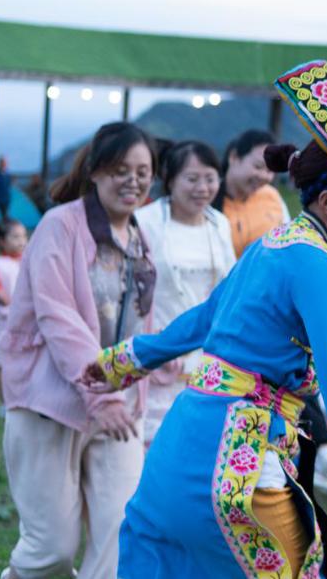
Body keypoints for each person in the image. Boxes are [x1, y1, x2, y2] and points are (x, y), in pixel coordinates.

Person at [80, 60, 327, 579]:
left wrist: (120, 363)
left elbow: (202, 319)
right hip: (237, 466)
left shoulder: (273, 245)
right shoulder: (322, 267)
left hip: (181, 449)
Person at [0, 122, 157, 579]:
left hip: (119, 411)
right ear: (94, 171)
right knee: (52, 549)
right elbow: (58, 318)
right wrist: (101, 396)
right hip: (51, 404)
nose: (133, 180)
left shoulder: (139, 238)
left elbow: (139, 320)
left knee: (120, 537)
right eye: (120, 169)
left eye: (143, 171)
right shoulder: (59, 226)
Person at [135, 141, 236, 447]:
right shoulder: (145, 221)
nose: (202, 188)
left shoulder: (219, 223)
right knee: (151, 449)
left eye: (210, 178)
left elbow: (229, 289)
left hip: (208, 357)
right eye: (192, 179)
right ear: (170, 180)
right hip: (159, 351)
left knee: (196, 447)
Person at [216, 129, 291, 257]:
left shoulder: (272, 195)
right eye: (258, 166)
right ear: (234, 157)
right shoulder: (207, 198)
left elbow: (287, 241)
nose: (264, 176)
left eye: (270, 170)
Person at [0, 217, 26, 406]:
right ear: (2, 241)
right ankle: (5, 403)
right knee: (1, 364)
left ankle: (17, 399)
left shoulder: (24, 262)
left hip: (22, 322)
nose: (22, 241)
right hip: (5, 322)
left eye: (23, 236)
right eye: (15, 237)